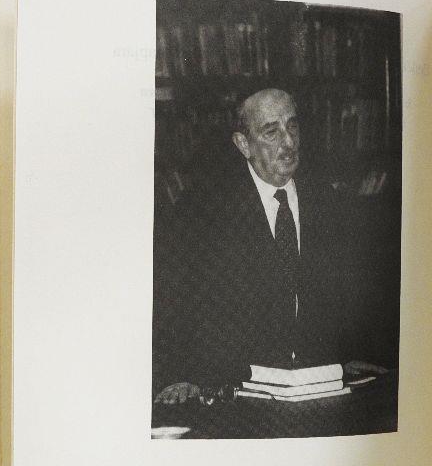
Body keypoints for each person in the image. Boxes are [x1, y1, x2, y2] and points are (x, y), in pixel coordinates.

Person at [153, 88, 384, 405]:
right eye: (271, 132)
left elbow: (358, 299)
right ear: (243, 144)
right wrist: (179, 377)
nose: (288, 142)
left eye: (293, 126)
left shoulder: (332, 203)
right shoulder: (201, 214)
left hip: (323, 385)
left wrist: (357, 353)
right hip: (237, 391)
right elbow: (175, 307)